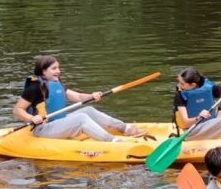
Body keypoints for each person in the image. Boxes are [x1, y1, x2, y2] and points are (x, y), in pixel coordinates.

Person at [14, 55, 145, 142]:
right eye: (54, 68)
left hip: (58, 122)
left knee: (88, 110)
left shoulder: (55, 83)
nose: (58, 71)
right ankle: (112, 141)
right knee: (81, 118)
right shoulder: (34, 88)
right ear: (43, 72)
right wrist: (31, 118)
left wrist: (92, 96)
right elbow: (17, 110)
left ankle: (125, 129)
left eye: (58, 68)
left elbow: (76, 96)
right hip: (42, 129)